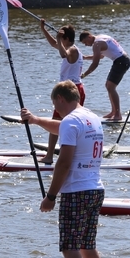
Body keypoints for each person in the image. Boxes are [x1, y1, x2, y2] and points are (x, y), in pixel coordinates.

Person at [20, 80, 108, 258]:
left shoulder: (70, 121)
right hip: (95, 189)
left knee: (70, 249)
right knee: (87, 247)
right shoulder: (91, 117)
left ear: (59, 99)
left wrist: (51, 196)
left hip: (76, 192)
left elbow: (65, 161)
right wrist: (36, 120)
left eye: (54, 105)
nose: (55, 110)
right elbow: (63, 128)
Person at [38, 20, 85, 165]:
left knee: (57, 123)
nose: (58, 40)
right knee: (70, 123)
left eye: (61, 38)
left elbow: (63, 55)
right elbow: (54, 45)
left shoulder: (73, 49)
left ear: (67, 39)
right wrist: (43, 29)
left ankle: (50, 156)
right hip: (74, 90)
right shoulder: (67, 47)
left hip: (69, 92)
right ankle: (71, 154)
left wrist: (58, 39)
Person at [79, 31, 130, 121]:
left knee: (111, 87)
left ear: (89, 37)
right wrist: (85, 57)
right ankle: (114, 112)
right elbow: (101, 56)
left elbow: (95, 63)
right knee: (108, 86)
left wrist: (84, 75)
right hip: (122, 60)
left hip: (121, 61)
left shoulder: (96, 44)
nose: (86, 45)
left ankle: (118, 114)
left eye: (85, 42)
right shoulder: (102, 36)